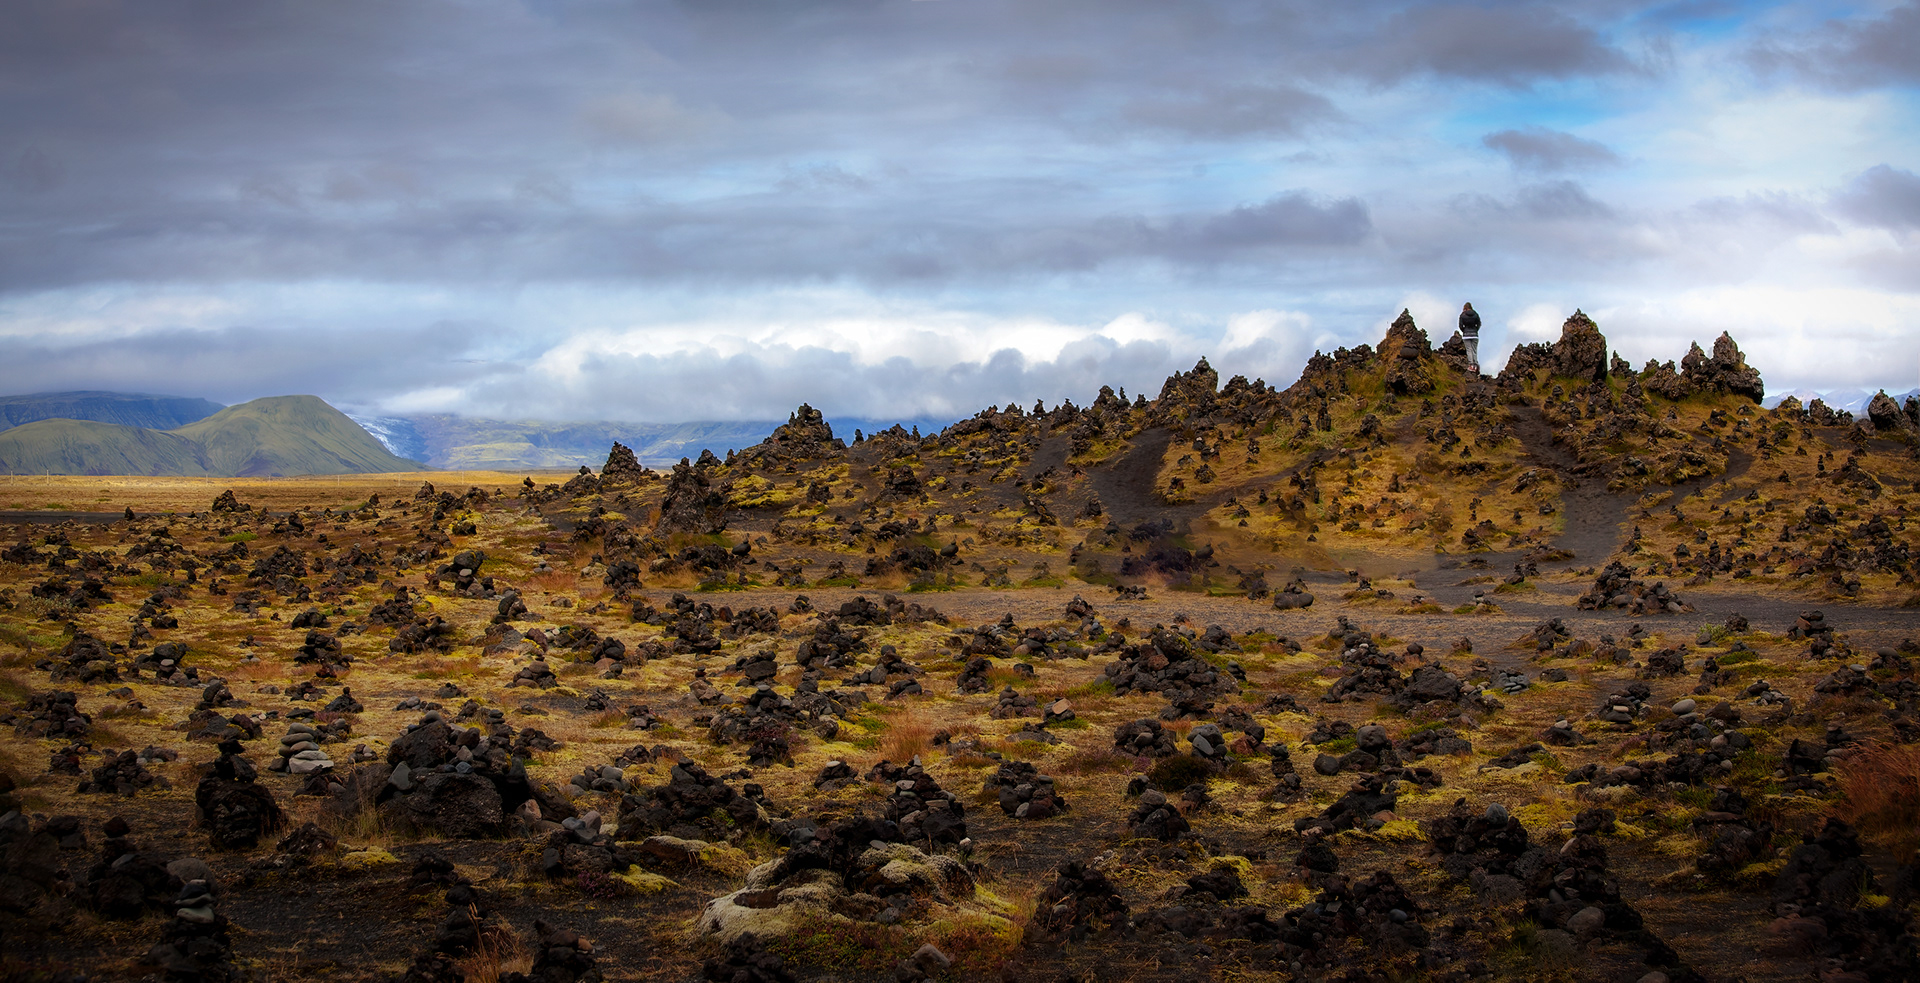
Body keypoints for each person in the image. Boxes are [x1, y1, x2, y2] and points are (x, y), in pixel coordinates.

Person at [1459, 302, 1482, 375]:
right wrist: (1476, 330)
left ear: (1465, 308)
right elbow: (1479, 324)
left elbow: (1460, 325)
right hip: (1475, 334)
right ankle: (1475, 365)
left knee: (1469, 350)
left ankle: (1471, 365)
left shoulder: (1462, 315)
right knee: (1474, 350)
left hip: (1466, 335)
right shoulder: (1475, 314)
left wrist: (1464, 331)